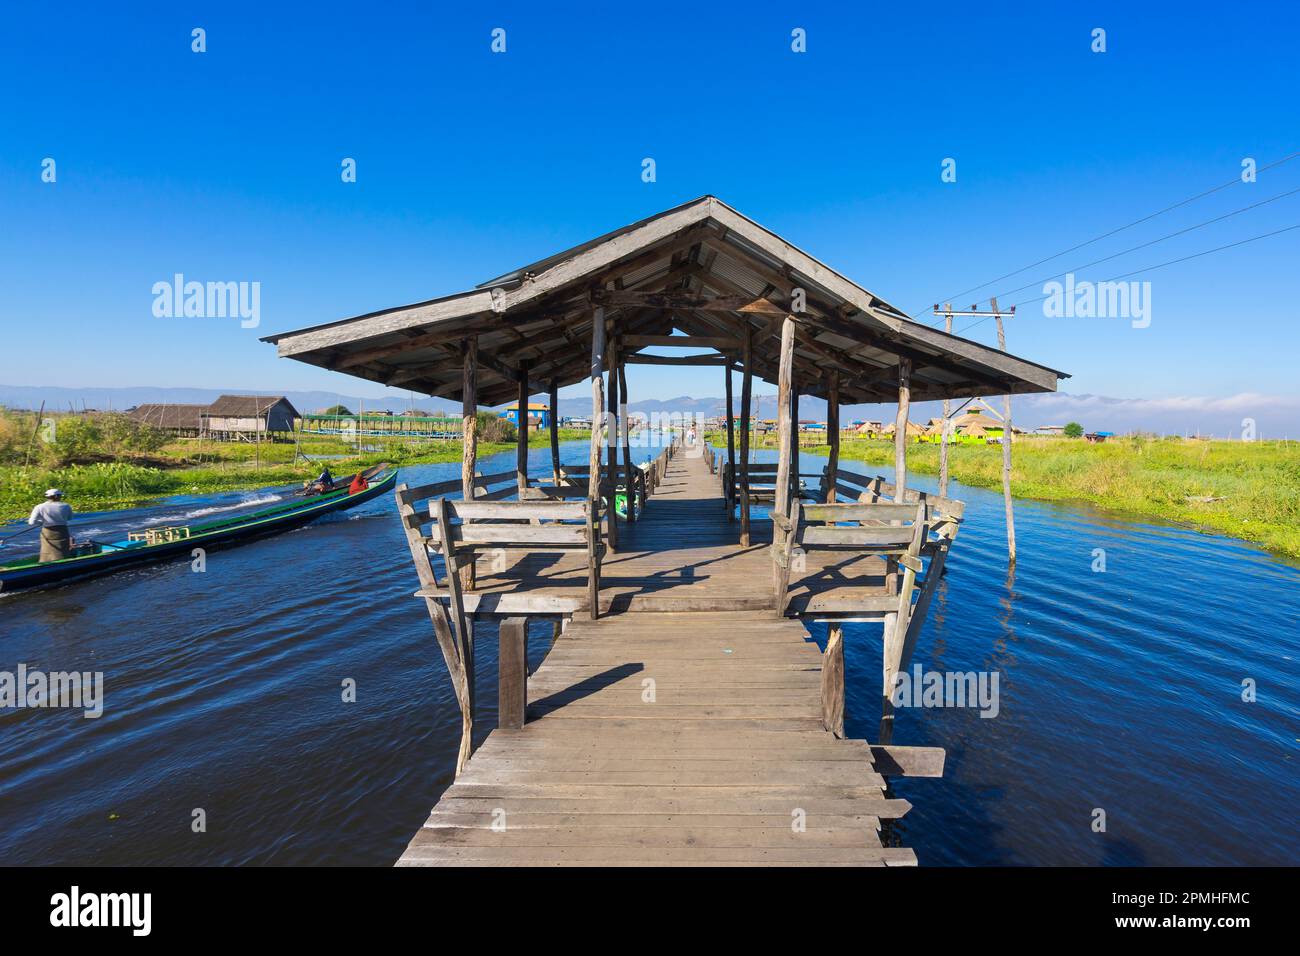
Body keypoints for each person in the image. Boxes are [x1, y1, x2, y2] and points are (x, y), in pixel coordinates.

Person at [28, 488, 73, 563]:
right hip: (62, 531)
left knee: (46, 551)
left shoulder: (39, 507)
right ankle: (63, 563)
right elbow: (69, 518)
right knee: (63, 550)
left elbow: (31, 522)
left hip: (47, 532)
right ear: (56, 496)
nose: (60, 497)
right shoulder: (66, 506)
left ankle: (45, 563)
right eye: (60, 495)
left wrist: (41, 522)